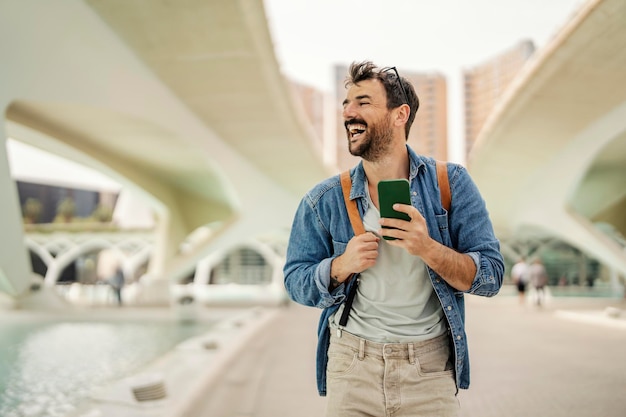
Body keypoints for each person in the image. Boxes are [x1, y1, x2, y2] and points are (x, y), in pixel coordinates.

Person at [283, 61, 504, 417]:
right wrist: (339, 267)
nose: (348, 113)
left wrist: (428, 248)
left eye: (363, 102)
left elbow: (491, 277)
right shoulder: (323, 200)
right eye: (346, 103)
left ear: (400, 114)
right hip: (352, 367)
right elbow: (295, 281)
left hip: (429, 370)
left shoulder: (452, 184)